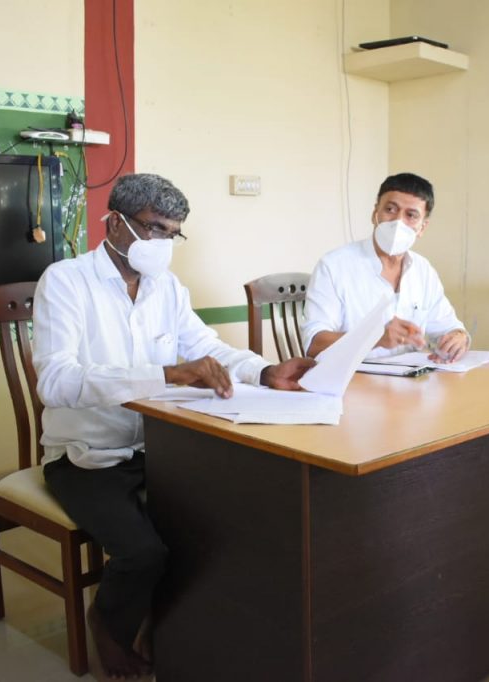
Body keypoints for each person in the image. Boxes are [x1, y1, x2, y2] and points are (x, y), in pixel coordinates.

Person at [32, 173, 314, 678]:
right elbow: (56, 381)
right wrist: (166, 374)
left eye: (172, 232)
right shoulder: (66, 281)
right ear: (114, 223)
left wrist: (265, 371)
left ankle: (170, 624)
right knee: (143, 553)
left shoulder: (166, 288)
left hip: (159, 446)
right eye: (153, 228)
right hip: (86, 454)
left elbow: (206, 347)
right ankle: (109, 624)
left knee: (221, 521)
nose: (162, 242)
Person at [302, 172, 469, 362]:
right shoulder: (334, 266)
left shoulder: (423, 270)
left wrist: (458, 337)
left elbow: (448, 327)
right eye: (390, 209)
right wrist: (374, 337)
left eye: (411, 215)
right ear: (375, 214)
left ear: (422, 227)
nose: (398, 222)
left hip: (410, 377)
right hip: (353, 377)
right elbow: (314, 344)